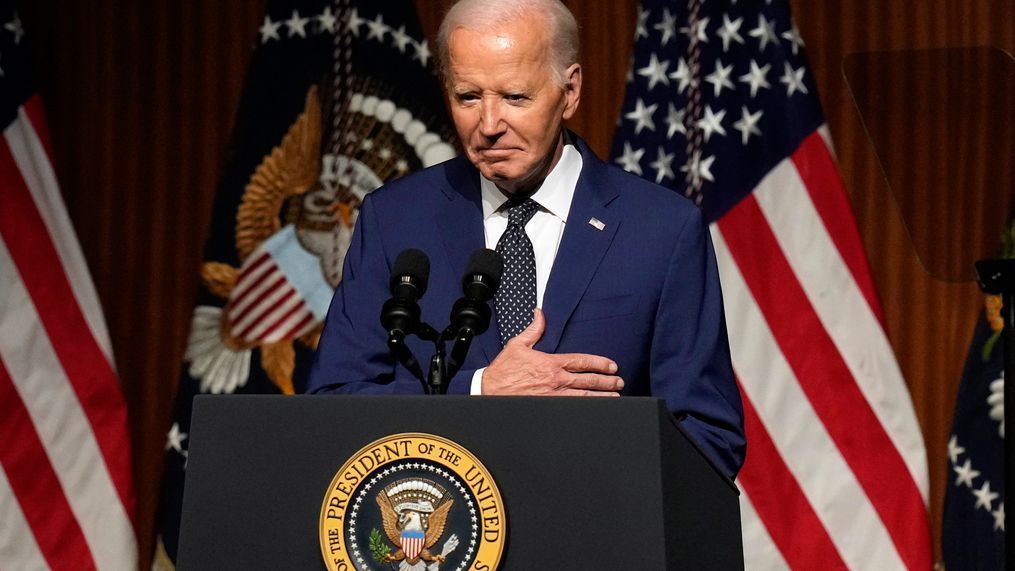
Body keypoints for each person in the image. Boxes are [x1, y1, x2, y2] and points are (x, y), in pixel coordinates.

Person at [306, 0, 745, 479]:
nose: (489, 125)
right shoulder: (395, 219)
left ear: (570, 91)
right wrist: (478, 391)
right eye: (468, 96)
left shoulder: (661, 230)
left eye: (515, 97)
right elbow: (333, 403)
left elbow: (708, 437)